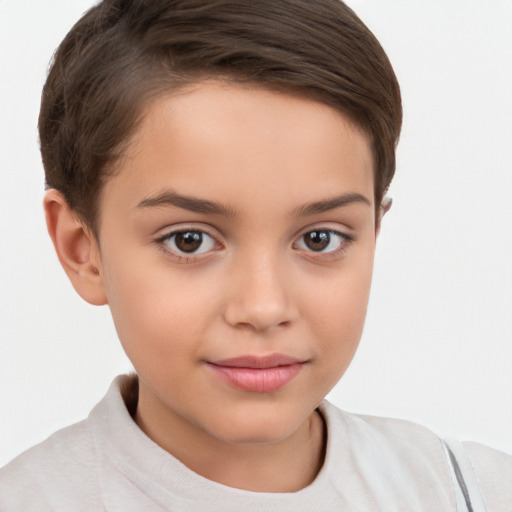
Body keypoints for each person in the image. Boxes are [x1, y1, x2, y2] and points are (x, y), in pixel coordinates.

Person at [0, 0, 510, 510]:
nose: (264, 308)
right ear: (82, 248)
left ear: (374, 231)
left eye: (319, 239)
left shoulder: (471, 493)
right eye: (189, 240)